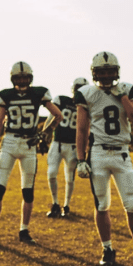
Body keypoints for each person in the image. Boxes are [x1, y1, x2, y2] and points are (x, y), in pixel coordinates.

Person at [74, 52, 133, 266]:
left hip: (122, 153)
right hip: (98, 153)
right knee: (102, 204)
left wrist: (122, 97)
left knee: (132, 204)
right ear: (94, 73)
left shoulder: (127, 89)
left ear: (116, 72)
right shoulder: (86, 93)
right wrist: (81, 158)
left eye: (110, 72)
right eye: (102, 72)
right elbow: (81, 129)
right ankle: (107, 249)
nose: (106, 76)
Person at [0, 62, 63, 247]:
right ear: (13, 78)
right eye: (19, 78)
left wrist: (44, 134)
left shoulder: (39, 93)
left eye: (25, 77)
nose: (22, 81)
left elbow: (58, 115)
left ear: (30, 78)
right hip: (9, 142)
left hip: (29, 144)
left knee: (28, 191)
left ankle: (24, 230)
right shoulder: (6, 95)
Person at [44, 77, 87, 218]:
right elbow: (51, 117)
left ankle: (66, 205)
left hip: (73, 146)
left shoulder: (87, 106)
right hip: (57, 143)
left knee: (70, 177)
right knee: (51, 174)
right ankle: (55, 203)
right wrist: (45, 135)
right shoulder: (62, 100)